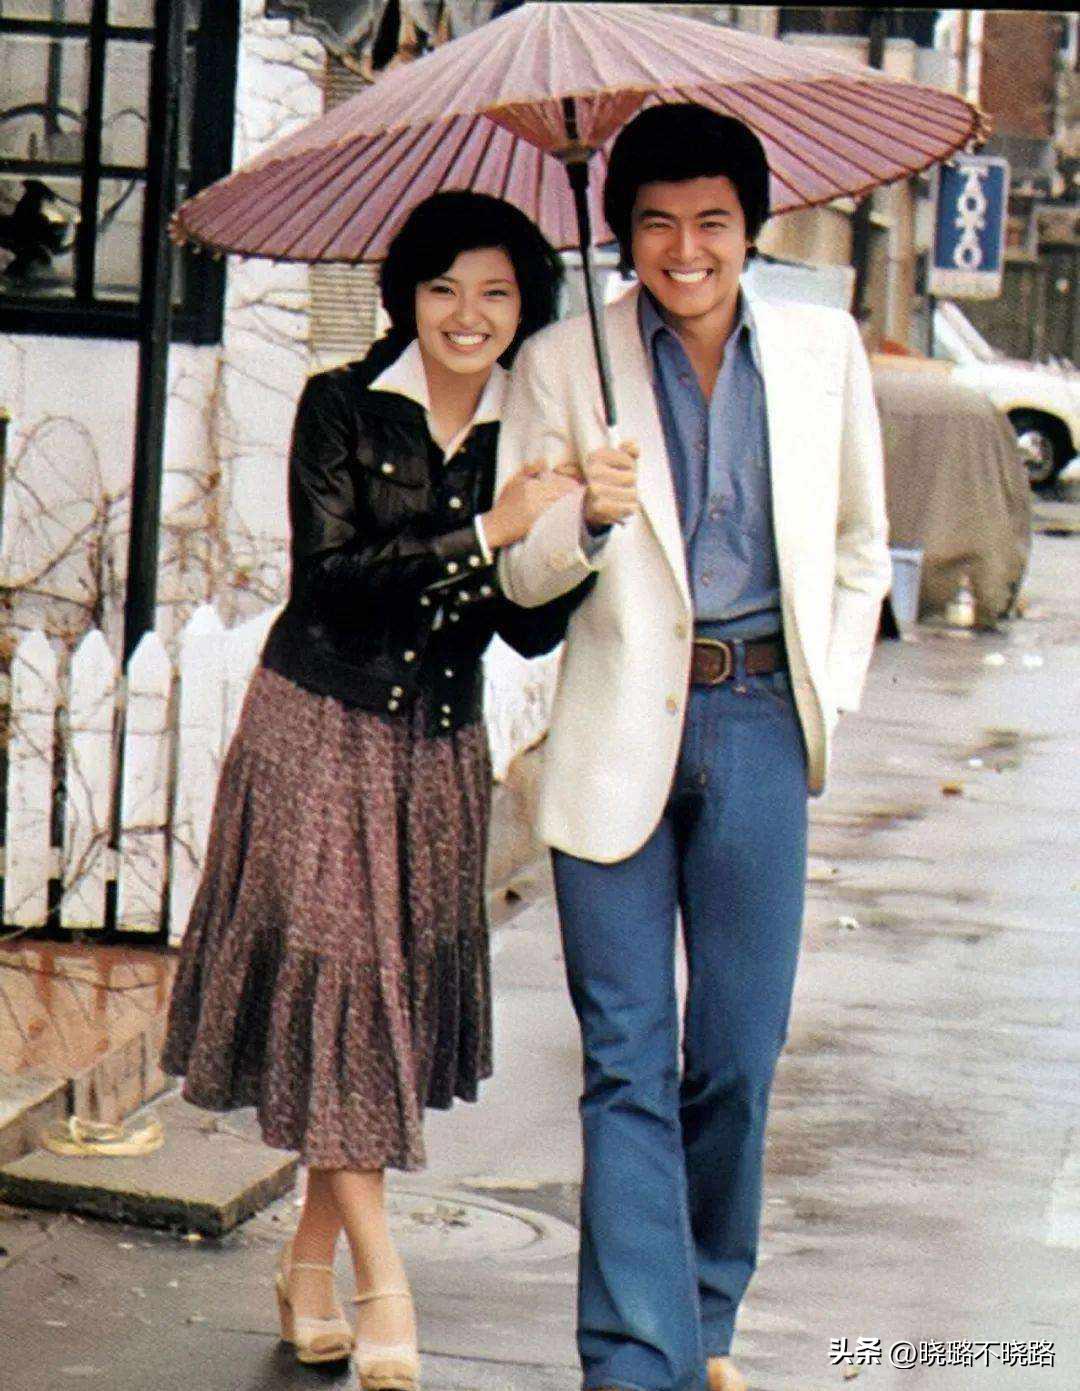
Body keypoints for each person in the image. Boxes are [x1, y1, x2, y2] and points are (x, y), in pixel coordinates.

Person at [495, 105, 891, 1391]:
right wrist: (585, 520)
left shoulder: (823, 350)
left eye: (712, 221)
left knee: (734, 1058)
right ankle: (634, 1355)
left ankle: (706, 1310)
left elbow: (859, 548)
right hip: (615, 727)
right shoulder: (565, 361)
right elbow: (520, 575)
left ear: (751, 228)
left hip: (762, 717)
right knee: (626, 1059)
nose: (685, 249)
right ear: (624, 232)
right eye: (657, 222)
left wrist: (828, 692)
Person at [161, 190, 579, 1391]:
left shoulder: (528, 431)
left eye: (496, 292)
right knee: (341, 992)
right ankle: (385, 1280)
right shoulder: (341, 403)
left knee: (373, 1012)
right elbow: (332, 578)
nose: (468, 314)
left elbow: (528, 630)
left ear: (527, 308)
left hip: (436, 748)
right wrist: (485, 530)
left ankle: (306, 1264)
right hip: (319, 723)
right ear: (408, 295)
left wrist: (580, 529)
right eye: (444, 287)